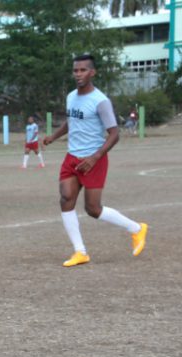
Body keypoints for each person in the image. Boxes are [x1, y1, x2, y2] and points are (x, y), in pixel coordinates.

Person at [43, 54, 148, 267]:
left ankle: (136, 229)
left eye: (83, 70)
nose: (78, 74)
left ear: (92, 72)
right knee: (66, 199)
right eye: (75, 70)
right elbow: (71, 121)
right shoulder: (71, 96)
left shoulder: (101, 101)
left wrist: (95, 157)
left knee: (93, 209)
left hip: (94, 159)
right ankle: (80, 252)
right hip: (72, 157)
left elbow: (114, 134)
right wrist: (54, 137)